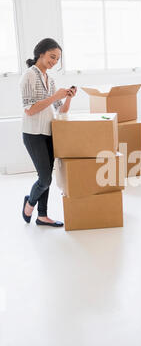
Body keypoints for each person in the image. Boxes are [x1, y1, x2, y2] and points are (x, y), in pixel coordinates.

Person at [21, 37, 77, 227]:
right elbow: (29, 109)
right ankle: (30, 202)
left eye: (57, 59)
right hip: (33, 134)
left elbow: (60, 110)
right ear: (41, 53)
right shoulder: (29, 75)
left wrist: (68, 98)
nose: (54, 62)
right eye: (52, 57)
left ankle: (42, 216)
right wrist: (54, 96)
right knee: (44, 178)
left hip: (49, 132)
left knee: (46, 176)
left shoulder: (50, 79)